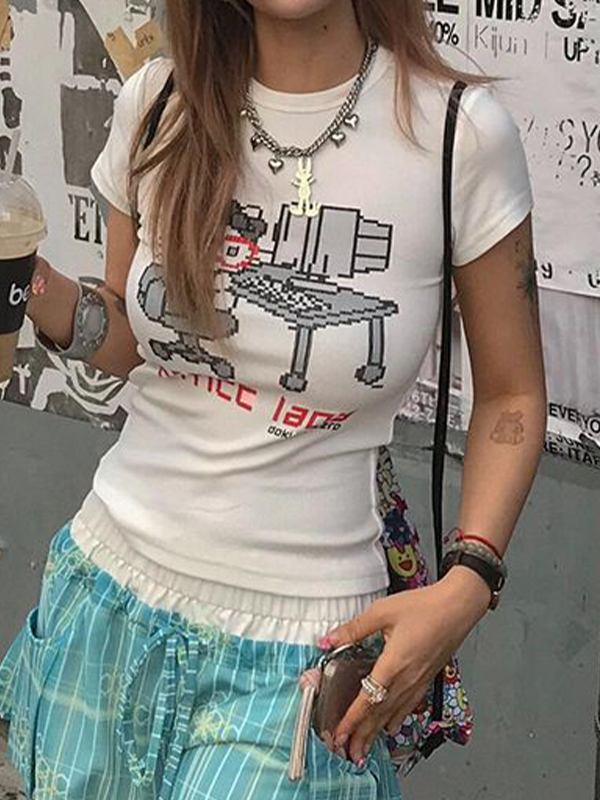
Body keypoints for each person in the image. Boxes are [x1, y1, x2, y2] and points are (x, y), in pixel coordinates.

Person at [0, 1, 547, 798]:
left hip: (303, 648)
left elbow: (512, 392)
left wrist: (469, 583)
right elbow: (129, 338)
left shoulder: (458, 134)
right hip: (107, 595)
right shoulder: (158, 103)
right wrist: (31, 284)